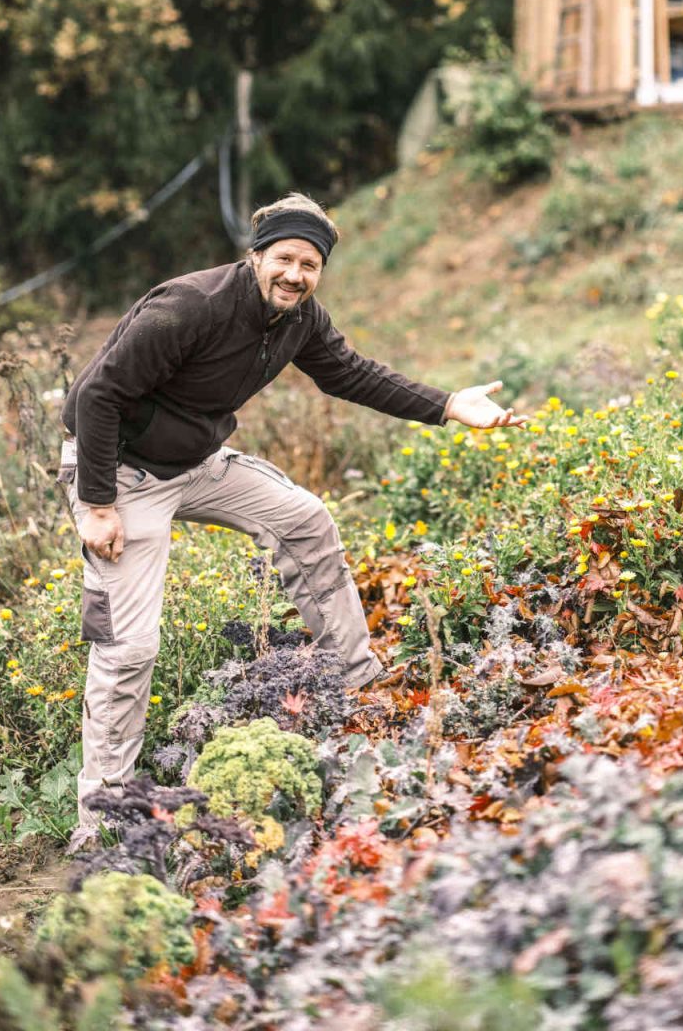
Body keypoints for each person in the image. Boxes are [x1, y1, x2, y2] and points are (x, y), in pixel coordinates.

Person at [58, 192, 526, 839]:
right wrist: (97, 503)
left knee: (307, 520)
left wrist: (446, 405)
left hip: (196, 463)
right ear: (256, 257)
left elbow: (351, 374)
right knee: (129, 645)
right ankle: (104, 816)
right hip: (120, 471)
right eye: (284, 258)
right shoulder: (189, 307)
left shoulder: (301, 320)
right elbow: (97, 394)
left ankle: (363, 694)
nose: (295, 274)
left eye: (310, 264)